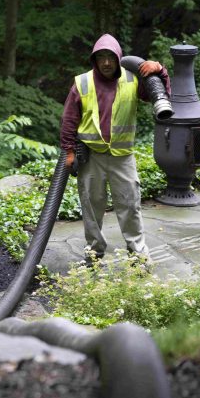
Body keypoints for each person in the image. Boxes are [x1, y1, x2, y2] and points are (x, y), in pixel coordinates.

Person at [61, 34, 170, 264]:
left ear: (119, 57)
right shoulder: (82, 83)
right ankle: (94, 253)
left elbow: (160, 96)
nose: (107, 63)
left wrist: (160, 70)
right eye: (101, 57)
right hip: (92, 158)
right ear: (94, 59)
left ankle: (138, 255)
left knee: (130, 206)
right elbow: (69, 120)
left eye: (111, 57)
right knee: (91, 207)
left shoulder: (132, 80)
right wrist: (70, 151)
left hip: (122, 158)